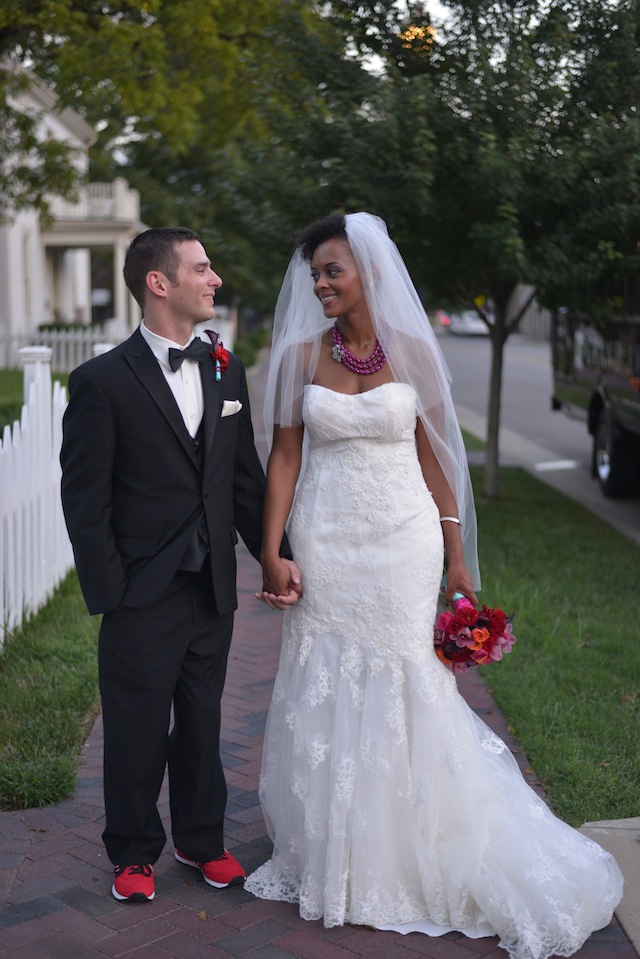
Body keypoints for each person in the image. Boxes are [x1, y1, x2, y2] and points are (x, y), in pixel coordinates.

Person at [244, 212, 624, 958]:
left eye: (333, 270)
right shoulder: (297, 358)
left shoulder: (415, 351)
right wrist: (271, 550)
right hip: (326, 540)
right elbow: (284, 458)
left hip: (403, 541)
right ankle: (337, 852)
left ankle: (414, 843)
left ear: (370, 273)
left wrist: (456, 558)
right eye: (315, 273)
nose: (320, 284)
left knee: (409, 679)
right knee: (326, 679)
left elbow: (438, 457)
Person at [60, 227, 300, 904]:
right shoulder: (101, 381)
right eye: (201, 268)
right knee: (136, 725)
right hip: (141, 589)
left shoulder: (225, 368)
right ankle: (133, 851)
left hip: (212, 585)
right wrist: (112, 589)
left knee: (201, 720)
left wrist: (273, 556)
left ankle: (201, 839)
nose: (215, 278)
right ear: (158, 283)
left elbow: (244, 479)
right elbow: (84, 498)